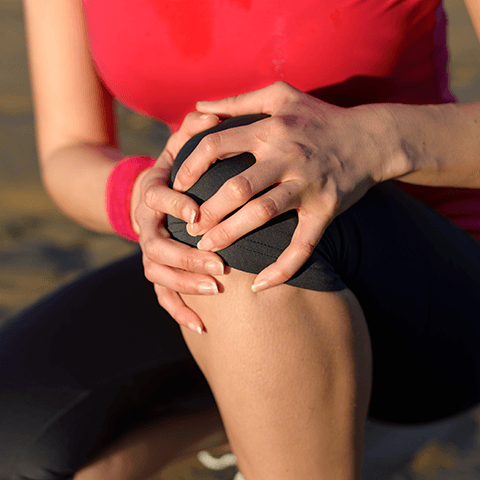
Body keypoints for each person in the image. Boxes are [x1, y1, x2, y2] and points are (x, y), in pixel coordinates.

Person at [2, 0, 480, 479]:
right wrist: (140, 197)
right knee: (14, 432)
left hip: (440, 300)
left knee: (241, 191)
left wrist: (372, 142)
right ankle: (265, 419)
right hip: (218, 256)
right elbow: (69, 149)